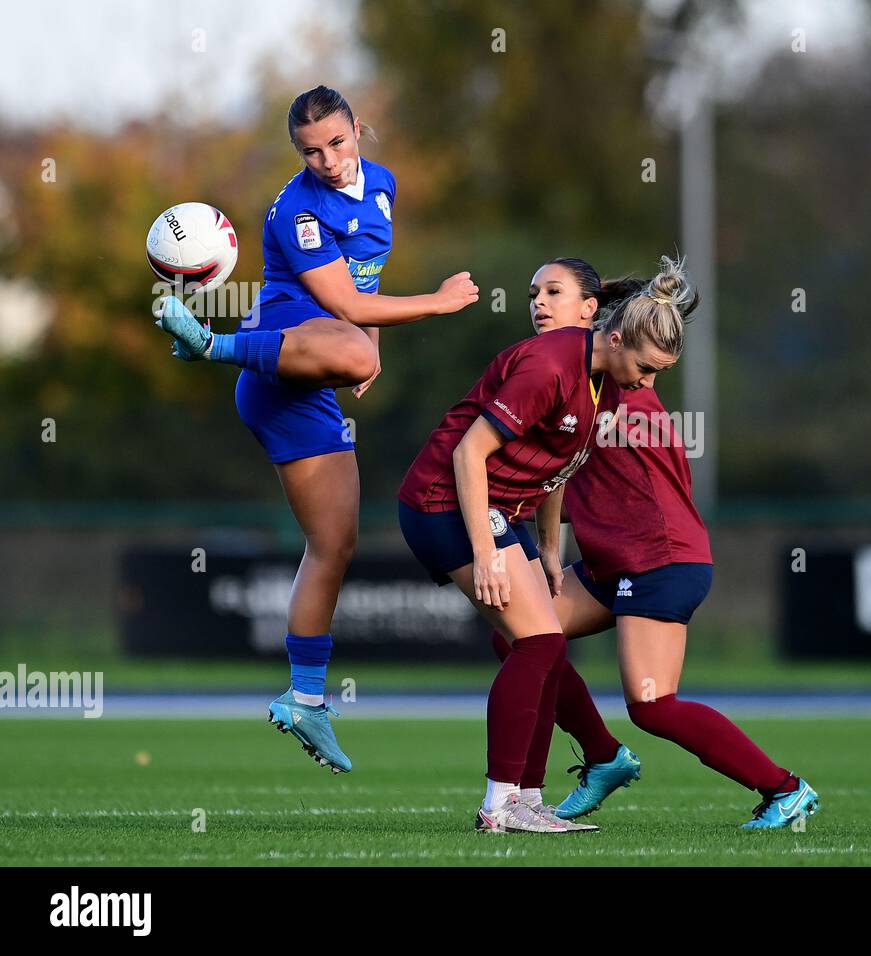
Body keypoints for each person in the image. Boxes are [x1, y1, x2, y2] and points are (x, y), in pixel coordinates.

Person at [153, 85, 478, 773]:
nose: (327, 160)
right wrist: (437, 304)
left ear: (359, 129)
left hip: (309, 380)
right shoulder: (297, 206)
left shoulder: (382, 184)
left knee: (334, 544)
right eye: (310, 151)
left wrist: (366, 347)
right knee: (357, 347)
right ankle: (208, 346)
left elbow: (363, 284)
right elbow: (339, 300)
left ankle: (305, 699)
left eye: (336, 143)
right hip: (275, 353)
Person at [489, 256, 819, 830]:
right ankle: (598, 758)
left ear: (595, 315)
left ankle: (784, 788)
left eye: (554, 293)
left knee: (651, 706)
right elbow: (556, 469)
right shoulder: (583, 376)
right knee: (521, 638)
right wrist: (546, 549)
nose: (539, 304)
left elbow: (547, 458)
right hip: (611, 560)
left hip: (660, 562)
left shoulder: (617, 390)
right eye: (534, 293)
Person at [397, 256, 689, 833]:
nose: (648, 383)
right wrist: (485, 553)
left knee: (547, 646)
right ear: (617, 335)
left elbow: (558, 467)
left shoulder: (602, 381)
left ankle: (527, 802)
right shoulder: (550, 367)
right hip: (444, 503)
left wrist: (550, 551)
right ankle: (500, 804)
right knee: (536, 643)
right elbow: (467, 454)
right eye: (647, 367)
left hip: (492, 511)